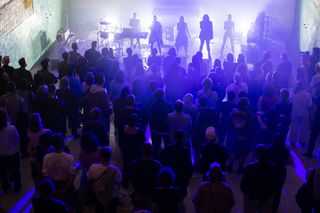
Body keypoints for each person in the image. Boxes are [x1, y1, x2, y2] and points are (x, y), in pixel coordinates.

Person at [240, 144, 279, 213]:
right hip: (266, 197)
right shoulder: (273, 168)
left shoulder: (250, 167)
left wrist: (249, 194)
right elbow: (276, 184)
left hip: (251, 197)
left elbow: (243, 185)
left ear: (256, 154)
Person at [87, 146, 122, 213]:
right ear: (110, 156)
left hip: (98, 195)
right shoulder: (115, 170)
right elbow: (119, 181)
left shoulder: (93, 167)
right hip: (111, 196)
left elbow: (89, 179)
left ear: (100, 156)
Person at [42, 134, 76, 203]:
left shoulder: (46, 157)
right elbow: (71, 176)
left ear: (52, 145)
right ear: (63, 144)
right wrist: (65, 189)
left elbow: (45, 175)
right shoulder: (70, 158)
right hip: (66, 183)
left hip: (52, 184)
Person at [160, 130, 193, 197]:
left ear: (174, 138)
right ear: (182, 138)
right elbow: (189, 165)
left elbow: (162, 159)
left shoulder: (168, 148)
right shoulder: (185, 150)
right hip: (182, 179)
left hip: (170, 178)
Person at [130, 143, 162, 211]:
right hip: (152, 193)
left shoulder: (135, 163)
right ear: (152, 151)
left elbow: (132, 179)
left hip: (139, 192)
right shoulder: (157, 165)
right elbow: (159, 181)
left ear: (142, 151)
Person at [120, 113, 146, 188]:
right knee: (135, 168)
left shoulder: (123, 129)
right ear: (136, 121)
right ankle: (134, 183)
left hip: (126, 151)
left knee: (125, 166)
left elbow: (120, 141)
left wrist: (122, 149)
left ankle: (125, 182)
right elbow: (143, 141)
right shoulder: (140, 131)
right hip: (136, 152)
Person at [267, 135, 292, 212]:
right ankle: (274, 208)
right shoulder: (285, 150)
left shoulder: (269, 147)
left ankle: (266, 205)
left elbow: (265, 159)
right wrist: (282, 163)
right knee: (278, 190)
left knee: (268, 188)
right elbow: (290, 162)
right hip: (281, 171)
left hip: (269, 170)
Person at [0, 109, 21, 193]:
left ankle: (5, 186)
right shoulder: (11, 128)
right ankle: (17, 186)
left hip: (1, 155)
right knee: (15, 171)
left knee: (3, 172)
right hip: (13, 153)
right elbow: (17, 140)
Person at [149, 88, 174, 157]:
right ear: (163, 95)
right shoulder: (170, 105)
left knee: (156, 148)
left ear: (155, 97)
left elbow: (151, 119)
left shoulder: (153, 106)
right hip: (167, 129)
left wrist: (152, 128)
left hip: (156, 130)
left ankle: (156, 162)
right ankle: (167, 161)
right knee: (168, 147)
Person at [289, 81, 312, 147]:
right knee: (304, 128)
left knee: (294, 127)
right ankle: (303, 141)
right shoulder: (307, 95)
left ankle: (293, 141)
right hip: (304, 113)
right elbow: (310, 105)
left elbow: (290, 102)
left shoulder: (293, 94)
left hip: (295, 113)